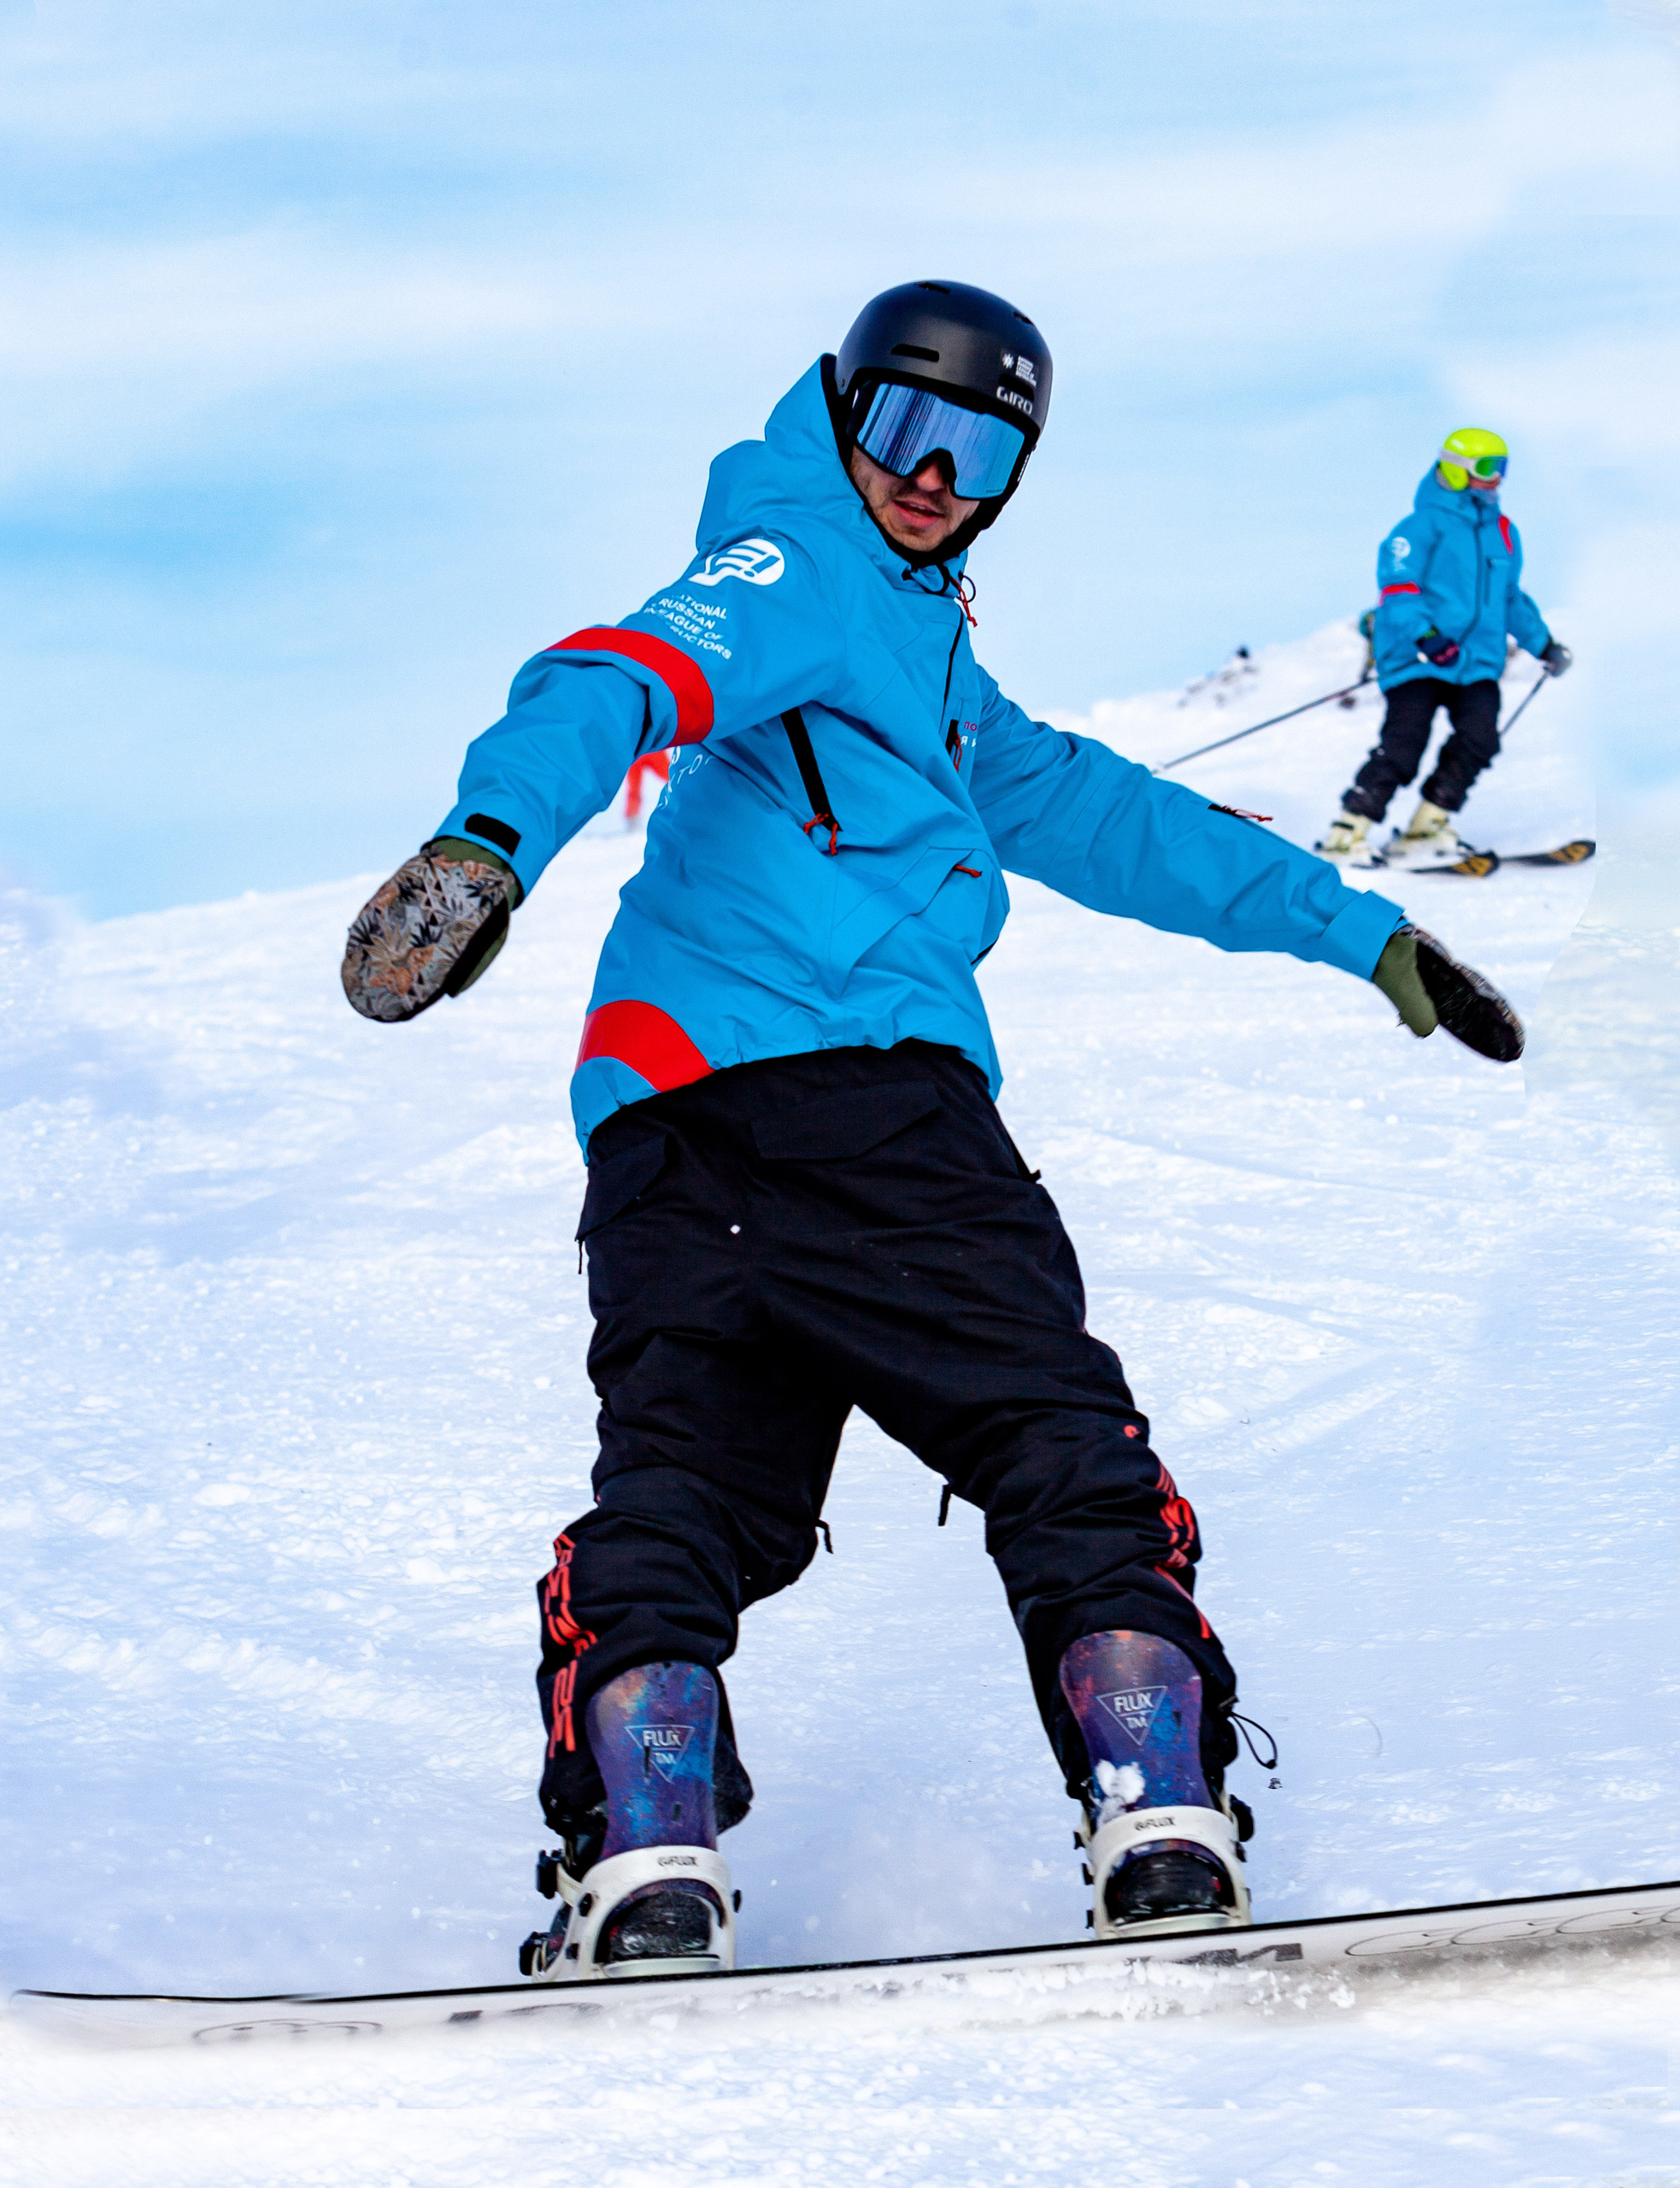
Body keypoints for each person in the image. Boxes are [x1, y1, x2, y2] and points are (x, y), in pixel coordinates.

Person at [340, 282, 1526, 1981]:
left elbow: (1121, 818)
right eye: (906, 425)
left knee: (687, 1494)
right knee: (1058, 1445)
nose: (933, 475)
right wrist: (487, 840)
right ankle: (1156, 1813)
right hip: (870, 1114)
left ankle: (645, 1859)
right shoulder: (799, 567)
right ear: (841, 412)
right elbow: (621, 671)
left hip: (664, 1144)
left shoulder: (931, 670)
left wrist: (1364, 934)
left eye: (981, 450)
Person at [1319, 429, 1571, 867]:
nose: (1498, 478)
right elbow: (1398, 590)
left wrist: (1543, 645)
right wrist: (1427, 637)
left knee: (1480, 739)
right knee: (1405, 744)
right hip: (1417, 658)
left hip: (1476, 662)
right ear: (1457, 469)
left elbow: (1510, 598)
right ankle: (1347, 831)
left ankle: (1428, 824)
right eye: (1488, 467)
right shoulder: (1417, 528)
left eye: (1503, 468)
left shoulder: (1504, 532)